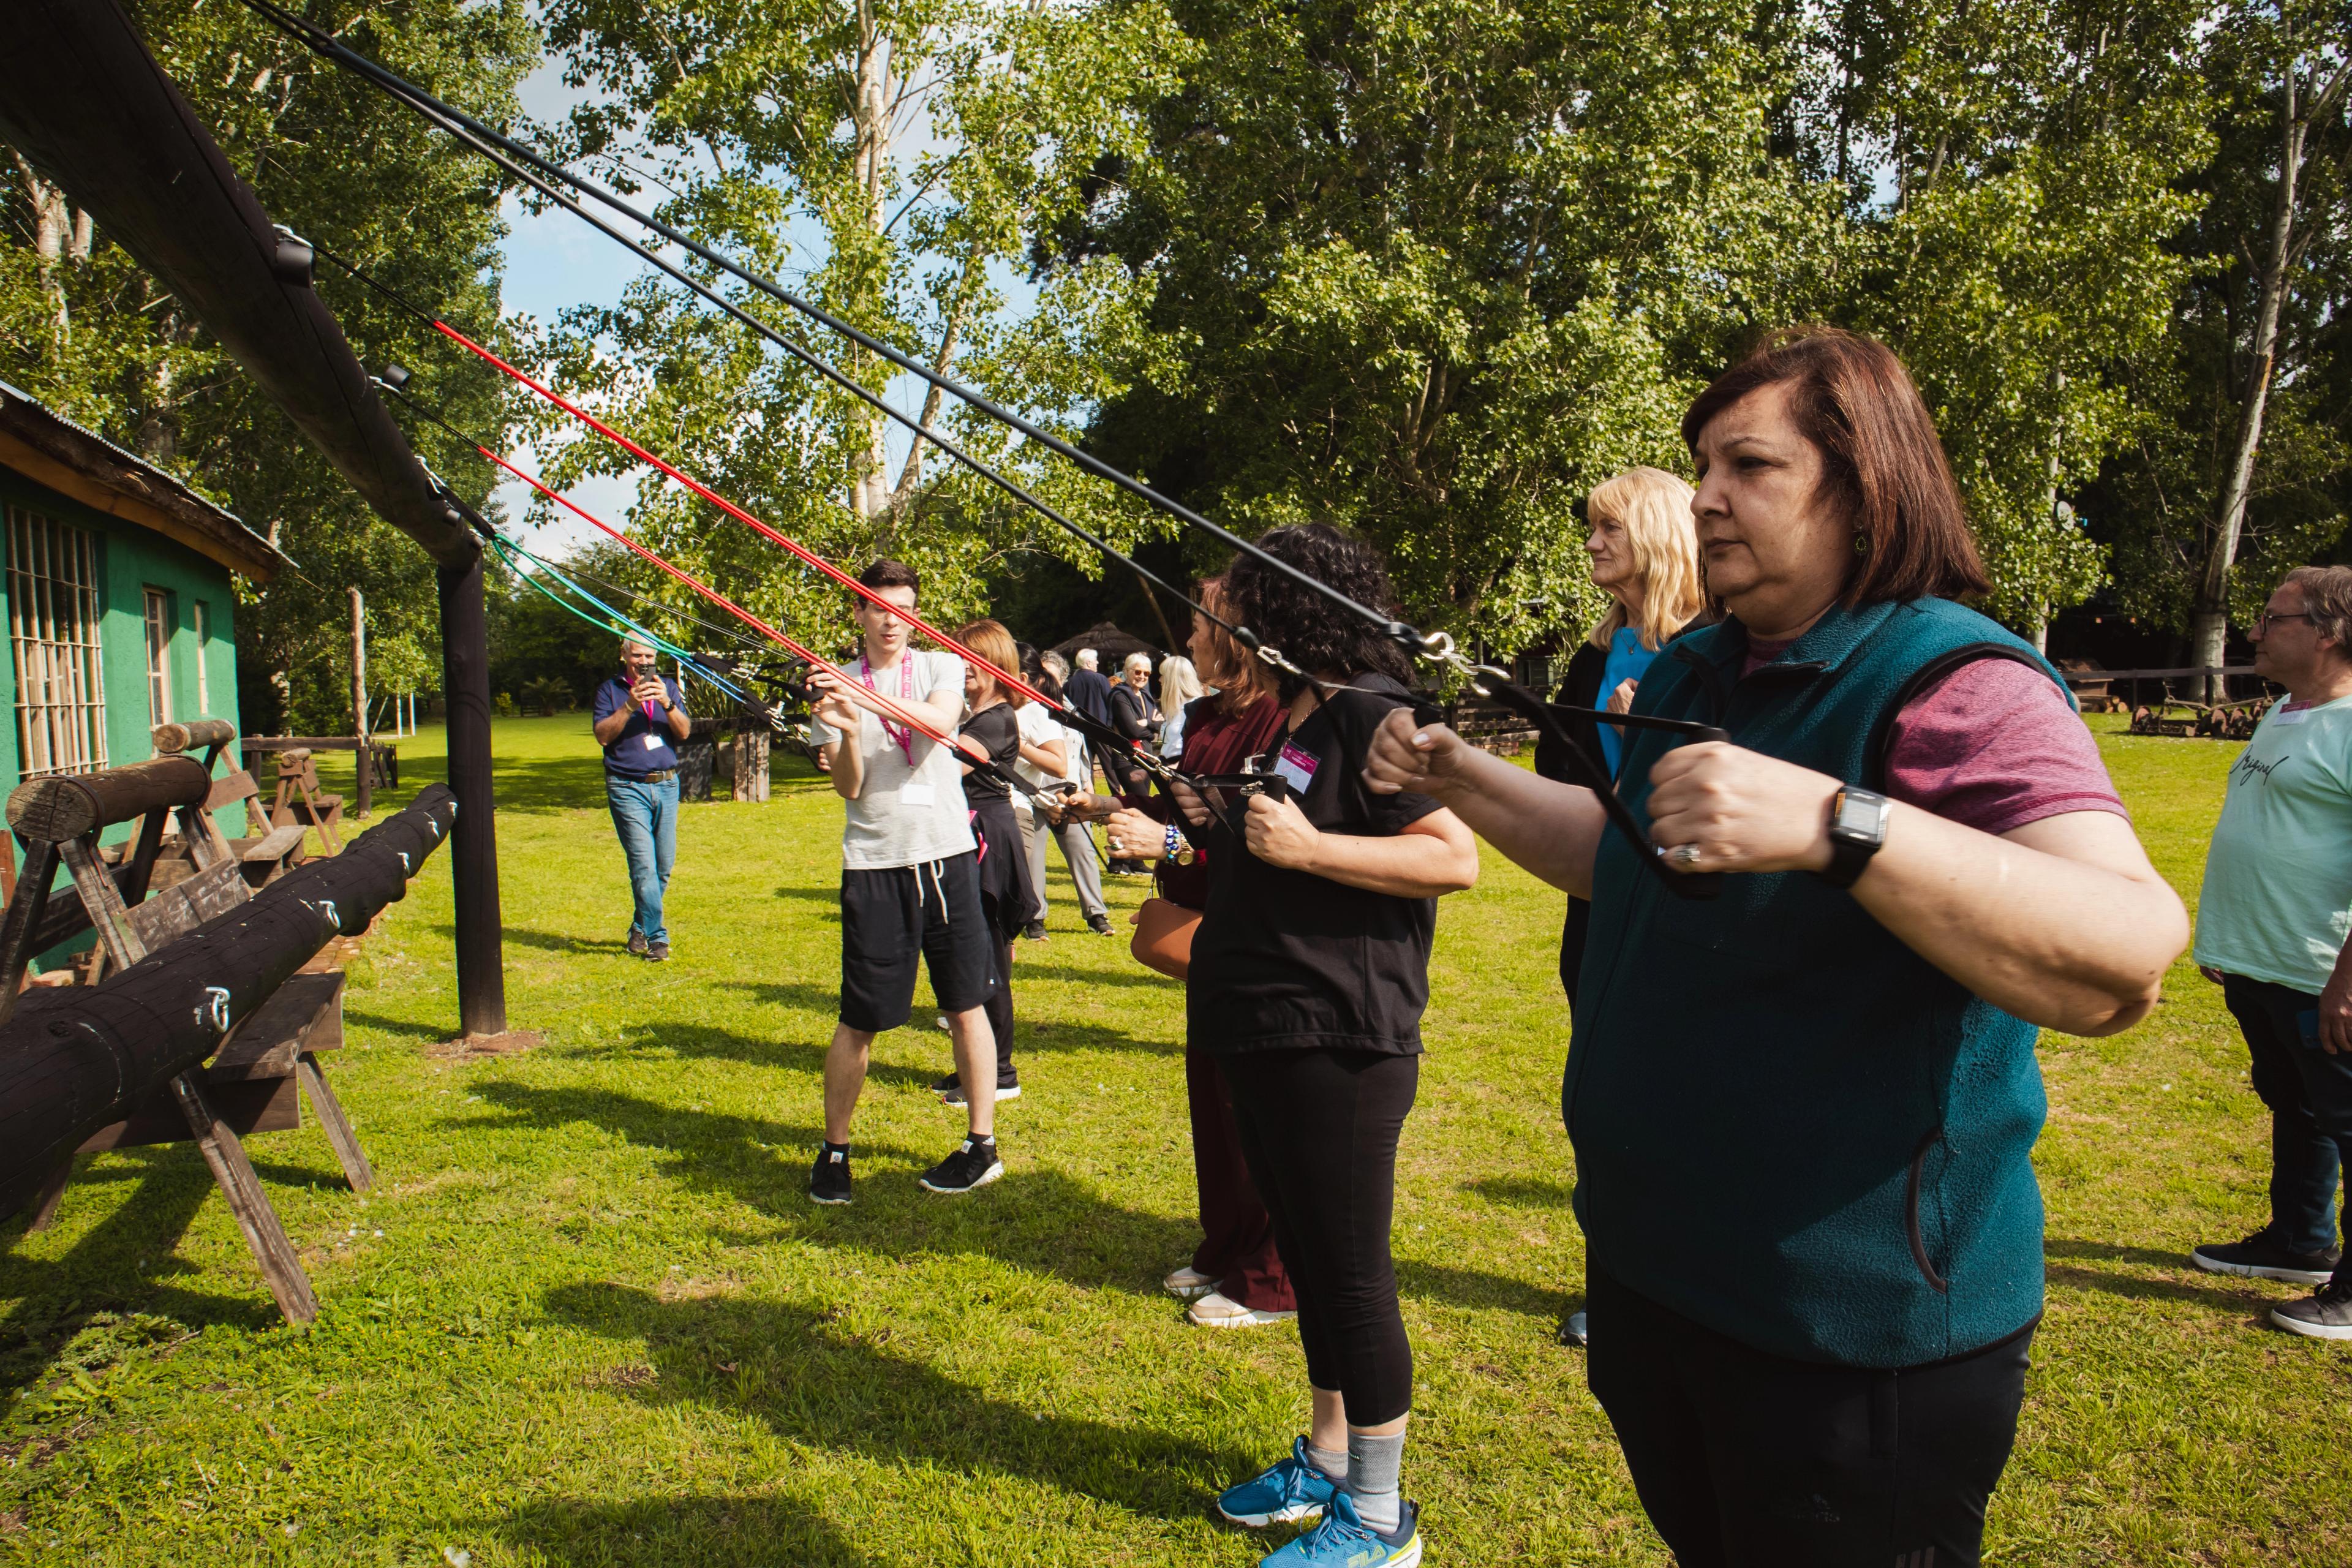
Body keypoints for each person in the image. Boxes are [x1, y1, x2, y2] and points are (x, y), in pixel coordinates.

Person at [1366, 328, 2189, 1567]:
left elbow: (2128, 945)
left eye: (1748, 464)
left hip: (1853, 1340)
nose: (1702, 496)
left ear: (1864, 490)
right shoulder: (1702, 659)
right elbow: (1628, 853)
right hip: (1662, 1279)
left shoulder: (1959, 680)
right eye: (1702, 464)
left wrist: (1836, 820)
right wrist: (1463, 776)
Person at [1181, 526, 1479, 1568]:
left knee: (1349, 1273)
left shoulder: (1373, 709)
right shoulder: (1298, 714)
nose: (1228, 618)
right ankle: (1329, 1456)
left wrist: (1311, 848)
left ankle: (1381, 1517)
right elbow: (1276, 844)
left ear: (1292, 606)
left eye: (1245, 598)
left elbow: (1454, 857)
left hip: (1339, 1034)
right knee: (1306, 1255)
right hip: (1264, 1022)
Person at [1101, 578, 1298, 1330]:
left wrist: (1174, 839)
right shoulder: (1205, 716)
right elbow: (1187, 798)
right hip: (1210, 935)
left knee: (1260, 1110)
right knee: (1214, 1101)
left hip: (1258, 937)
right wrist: (1114, 807)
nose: (1187, 643)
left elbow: (1253, 834)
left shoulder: (1282, 722)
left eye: (1198, 629)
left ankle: (1275, 1277)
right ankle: (1230, 1242)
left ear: (1237, 638)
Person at [806, 560, 1008, 1201]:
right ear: (859, 613)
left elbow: (938, 724)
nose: (892, 620)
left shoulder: (938, 667)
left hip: (945, 855)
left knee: (964, 1003)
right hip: (874, 862)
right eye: (878, 607)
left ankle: (982, 1145)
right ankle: (835, 1152)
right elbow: (851, 786)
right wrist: (839, 734)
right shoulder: (835, 688)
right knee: (859, 1017)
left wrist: (858, 698)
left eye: (904, 608)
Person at [2190, 565, 2352, 1340]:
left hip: (2325, 974)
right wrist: (2229, 942)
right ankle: (2301, 1242)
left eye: (2274, 617)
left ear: (2328, 633)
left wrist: (2346, 985)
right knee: (2297, 1106)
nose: (2257, 630)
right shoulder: (2286, 711)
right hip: (2262, 964)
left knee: (2347, 1121)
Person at [1534, 466, 1706, 1009]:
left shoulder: (1715, 646)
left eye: (1610, 528)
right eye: (1592, 527)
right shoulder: (1597, 654)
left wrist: (1643, 735)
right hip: (1597, 890)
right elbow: (1552, 761)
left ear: (1657, 533)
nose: (1591, 543)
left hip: (1682, 904)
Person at [930, 618, 1033, 1107]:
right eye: (958, 657)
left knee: (990, 960)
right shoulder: (975, 716)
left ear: (995, 664)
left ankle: (1001, 1072)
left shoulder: (995, 719)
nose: (963, 667)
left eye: (971, 659)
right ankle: (977, 1062)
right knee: (974, 958)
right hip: (973, 832)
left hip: (987, 839)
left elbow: (948, 769)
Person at [591, 638, 691, 961]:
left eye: (650, 656)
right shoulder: (610, 690)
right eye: (637, 655)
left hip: (666, 784)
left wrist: (667, 703)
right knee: (644, 866)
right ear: (624, 656)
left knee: (663, 866)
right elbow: (603, 736)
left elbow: (685, 732)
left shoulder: (669, 688)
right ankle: (657, 939)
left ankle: (640, 926)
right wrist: (630, 706)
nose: (644, 662)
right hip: (627, 786)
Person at [1021, 650, 1113, 937]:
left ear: (1062, 679)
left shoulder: (1070, 709)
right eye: (1040, 676)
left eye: (1049, 676)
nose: (1042, 682)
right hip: (1035, 792)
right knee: (1033, 856)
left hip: (1072, 794)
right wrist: (1051, 796)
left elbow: (1080, 751)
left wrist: (1087, 785)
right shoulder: (1027, 709)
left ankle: (1097, 915)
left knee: (1082, 850)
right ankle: (1035, 920)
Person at [1158, 654, 1205, 758]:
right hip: (1166, 767)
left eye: (1163, 675)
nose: (1160, 680)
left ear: (1173, 680)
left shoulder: (1196, 707)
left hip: (1180, 770)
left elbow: (1198, 749)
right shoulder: (1174, 706)